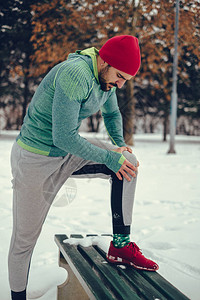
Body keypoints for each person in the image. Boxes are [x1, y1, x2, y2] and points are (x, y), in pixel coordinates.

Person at [8, 35, 159, 300]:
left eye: (126, 80)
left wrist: (119, 147)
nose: (120, 85)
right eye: (120, 76)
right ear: (105, 61)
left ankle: (121, 246)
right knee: (24, 241)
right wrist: (110, 158)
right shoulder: (75, 74)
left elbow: (112, 114)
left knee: (128, 164)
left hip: (67, 154)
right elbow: (63, 136)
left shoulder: (106, 80)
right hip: (35, 159)